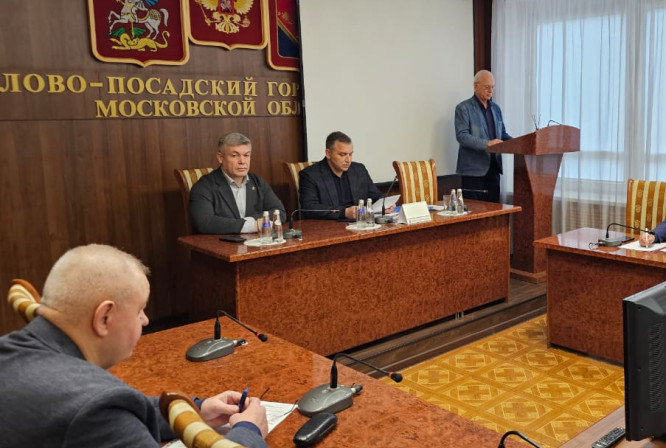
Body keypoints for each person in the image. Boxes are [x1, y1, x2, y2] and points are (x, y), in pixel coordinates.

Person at [0, 244, 269, 447]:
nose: (145, 320)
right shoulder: (96, 409)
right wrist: (249, 431)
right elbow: (108, 409)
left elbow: (128, 408)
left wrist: (198, 410)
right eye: (139, 310)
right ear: (104, 318)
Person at [189, 132, 286, 234]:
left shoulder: (257, 182)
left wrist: (249, 222)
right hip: (221, 243)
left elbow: (280, 213)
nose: (242, 161)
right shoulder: (204, 186)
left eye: (246, 155)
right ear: (220, 158)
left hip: (256, 241)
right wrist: (252, 225)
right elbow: (204, 222)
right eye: (235, 155)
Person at [298, 131, 391, 220]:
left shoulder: (359, 169)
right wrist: (344, 212)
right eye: (343, 155)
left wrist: (386, 204)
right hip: (331, 226)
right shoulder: (310, 175)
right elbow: (309, 208)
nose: (348, 160)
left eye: (350, 154)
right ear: (328, 153)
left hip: (361, 223)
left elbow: (376, 196)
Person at [454, 70, 513, 203]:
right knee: (475, 211)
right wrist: (487, 144)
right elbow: (462, 136)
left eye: (492, 87)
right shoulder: (463, 108)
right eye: (487, 87)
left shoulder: (496, 109)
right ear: (475, 86)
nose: (490, 91)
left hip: (494, 170)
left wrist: (519, 143)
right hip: (473, 172)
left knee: (494, 211)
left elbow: (502, 134)